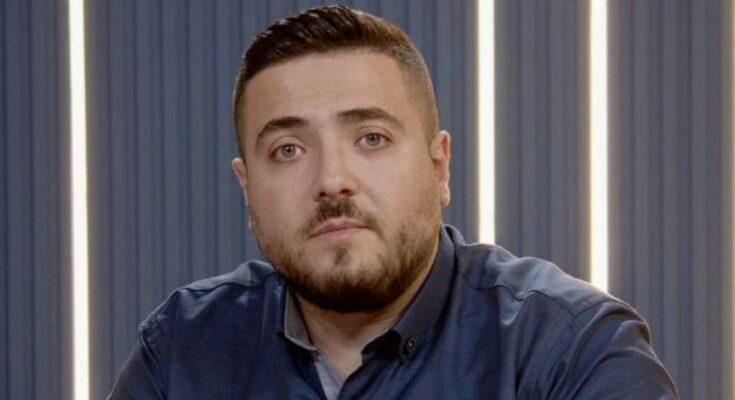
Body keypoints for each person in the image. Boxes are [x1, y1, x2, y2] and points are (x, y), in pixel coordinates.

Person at [108, 5, 678, 399]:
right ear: (247, 189)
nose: (333, 180)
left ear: (439, 167)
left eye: (371, 139)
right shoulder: (182, 351)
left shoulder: (572, 352)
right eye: (288, 150)